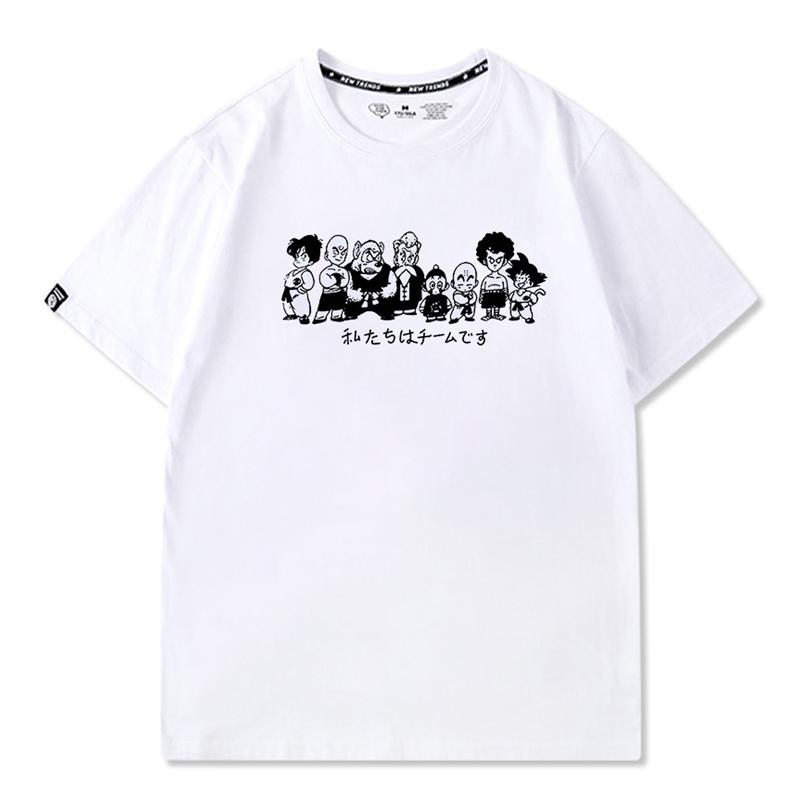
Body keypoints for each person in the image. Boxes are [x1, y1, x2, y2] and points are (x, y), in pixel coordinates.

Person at [282, 234, 321, 324]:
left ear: (311, 262)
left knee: (300, 305)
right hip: (288, 291)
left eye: (303, 256)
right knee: (287, 304)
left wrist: (301, 289)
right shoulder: (294, 271)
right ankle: (291, 314)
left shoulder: (305, 273)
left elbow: (309, 283)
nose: (298, 258)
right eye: (297, 255)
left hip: (297, 293)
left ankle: (303, 316)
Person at [476, 231, 514, 320]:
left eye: (498, 260)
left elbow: (505, 288)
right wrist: (481, 297)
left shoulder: (502, 278)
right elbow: (483, 288)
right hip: (487, 294)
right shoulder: (486, 279)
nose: (495, 264)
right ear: (484, 261)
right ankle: (488, 315)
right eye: (491, 260)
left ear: (504, 261)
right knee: (488, 305)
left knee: (498, 305)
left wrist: (506, 295)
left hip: (499, 294)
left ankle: (497, 315)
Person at [506, 252, 547, 323]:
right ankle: (515, 316)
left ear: (531, 283)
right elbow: (510, 296)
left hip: (524, 305)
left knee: (526, 313)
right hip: (514, 305)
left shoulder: (528, 293)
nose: (519, 281)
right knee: (514, 312)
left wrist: (531, 302)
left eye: (522, 279)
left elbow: (534, 298)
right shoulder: (514, 292)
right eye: (517, 279)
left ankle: (528, 318)